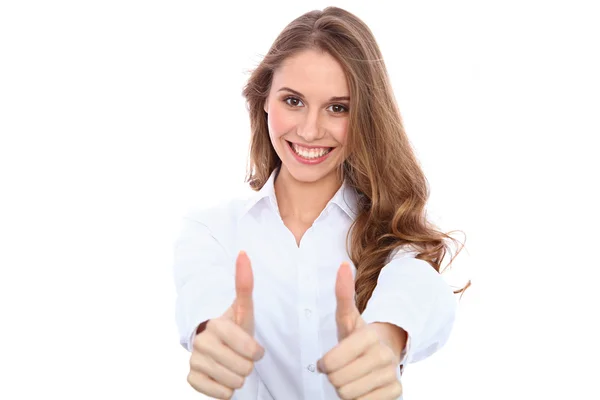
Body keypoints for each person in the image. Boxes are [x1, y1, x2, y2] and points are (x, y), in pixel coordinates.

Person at [173, 6, 467, 400]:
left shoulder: (390, 234)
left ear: (364, 116)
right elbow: (202, 294)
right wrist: (211, 336)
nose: (310, 130)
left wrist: (387, 336)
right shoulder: (213, 230)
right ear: (264, 100)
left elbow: (419, 290)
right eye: (292, 101)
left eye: (338, 108)